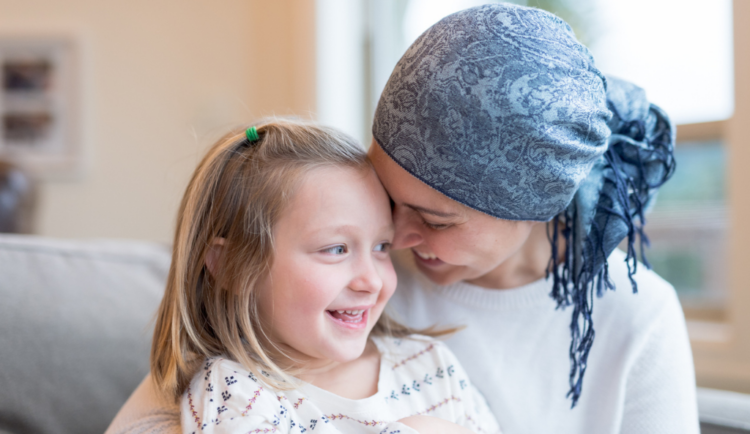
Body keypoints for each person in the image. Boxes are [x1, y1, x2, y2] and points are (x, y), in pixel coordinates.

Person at [106, 4, 698, 434]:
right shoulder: (345, 294)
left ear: (532, 207)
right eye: (391, 202)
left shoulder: (637, 319)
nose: (401, 241)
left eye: (435, 219)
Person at [149, 120, 501, 434]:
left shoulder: (429, 364)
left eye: (382, 246)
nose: (371, 281)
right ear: (233, 267)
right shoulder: (235, 392)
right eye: (336, 250)